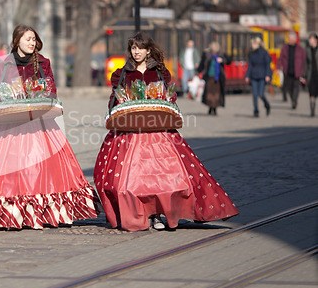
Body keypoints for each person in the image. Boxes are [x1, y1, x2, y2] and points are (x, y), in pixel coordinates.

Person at [93, 32, 239, 232]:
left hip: (158, 131)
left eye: (140, 48)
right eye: (133, 48)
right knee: (132, 180)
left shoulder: (160, 73)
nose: (136, 52)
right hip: (130, 133)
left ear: (148, 50)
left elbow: (169, 100)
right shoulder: (122, 74)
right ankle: (142, 213)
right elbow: (115, 101)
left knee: (164, 177)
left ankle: (160, 214)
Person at [0, 25, 99, 230]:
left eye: (34, 39)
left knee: (42, 166)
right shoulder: (5, 64)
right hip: (12, 122)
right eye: (28, 39)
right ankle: (10, 213)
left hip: (39, 122)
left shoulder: (43, 62)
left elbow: (51, 89)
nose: (31, 43)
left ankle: (46, 212)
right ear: (17, 41)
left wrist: (41, 95)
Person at [198, 41, 230, 115]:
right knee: (209, 93)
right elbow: (202, 64)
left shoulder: (221, 55)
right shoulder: (207, 55)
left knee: (216, 94)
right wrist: (198, 72)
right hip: (209, 77)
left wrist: (222, 60)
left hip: (218, 78)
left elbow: (229, 61)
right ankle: (210, 107)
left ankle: (214, 108)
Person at [277, 32, 306, 110]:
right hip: (288, 70)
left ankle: (294, 101)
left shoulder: (300, 49)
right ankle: (293, 99)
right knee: (289, 87)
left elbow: (304, 61)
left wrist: (303, 71)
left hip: (297, 71)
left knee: (296, 87)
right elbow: (281, 58)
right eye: (288, 38)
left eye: (290, 38)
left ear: (294, 39)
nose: (289, 40)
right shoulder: (285, 48)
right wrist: (278, 67)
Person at [245, 37, 272, 117]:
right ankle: (256, 110)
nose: (252, 45)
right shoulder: (252, 54)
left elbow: (268, 64)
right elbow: (249, 65)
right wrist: (247, 75)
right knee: (255, 94)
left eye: (253, 44)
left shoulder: (264, 52)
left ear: (257, 44)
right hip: (254, 75)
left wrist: (267, 75)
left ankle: (267, 105)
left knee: (261, 94)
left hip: (262, 75)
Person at [303, 33, 318, 117]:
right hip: (311, 74)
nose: (310, 41)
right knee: (311, 92)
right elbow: (305, 63)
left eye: (311, 39)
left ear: (316, 40)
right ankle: (312, 109)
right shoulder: (307, 50)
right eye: (309, 39)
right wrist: (304, 74)